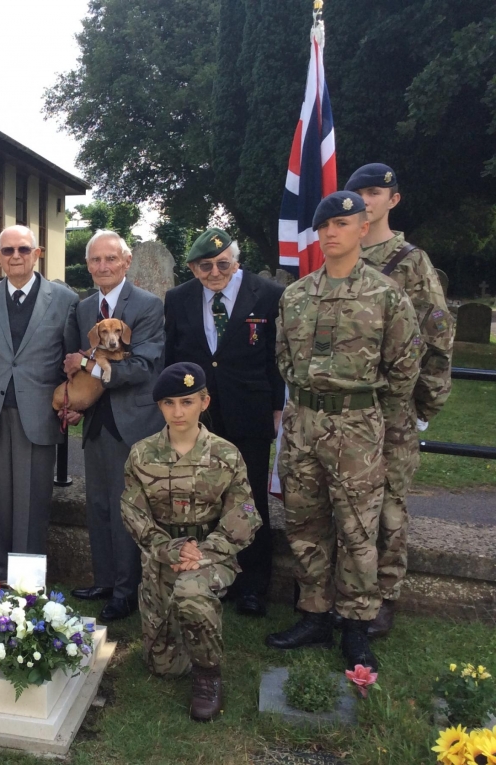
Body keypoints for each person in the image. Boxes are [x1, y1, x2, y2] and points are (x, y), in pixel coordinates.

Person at [266, 191, 421, 671]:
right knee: (304, 524)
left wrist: (369, 414)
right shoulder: (295, 295)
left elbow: (404, 367)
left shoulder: (385, 294)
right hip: (304, 424)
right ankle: (313, 614)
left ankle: (355, 627)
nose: (331, 232)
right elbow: (285, 360)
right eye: (324, 225)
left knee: (357, 529)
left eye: (342, 223)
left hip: (357, 429)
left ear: (361, 227)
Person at [344, 163, 454, 638]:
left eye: (374, 192)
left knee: (388, 505)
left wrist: (426, 404)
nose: (365, 201)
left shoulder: (411, 262)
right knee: (343, 503)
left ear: (393, 199)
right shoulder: (339, 254)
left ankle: (385, 594)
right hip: (343, 410)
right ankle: (343, 591)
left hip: (391, 410)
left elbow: (438, 335)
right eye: (357, 193)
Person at [121, 362, 261, 721]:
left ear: (205, 402)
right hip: (163, 555)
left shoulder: (226, 455)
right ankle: (189, 630)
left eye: (187, 402)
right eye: (169, 403)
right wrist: (170, 549)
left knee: (191, 595)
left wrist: (204, 553)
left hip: (211, 555)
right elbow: (133, 513)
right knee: (163, 666)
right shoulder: (141, 454)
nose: (178, 411)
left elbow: (244, 513)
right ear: (160, 407)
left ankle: (208, 675)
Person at [163, 228, 285, 617]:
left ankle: (253, 585)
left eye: (222, 264)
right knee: (201, 500)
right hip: (200, 416)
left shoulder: (266, 294)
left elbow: (275, 358)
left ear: (236, 261)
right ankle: (211, 578)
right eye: (204, 266)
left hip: (250, 413)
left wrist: (278, 407)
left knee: (249, 502)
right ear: (192, 268)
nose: (214, 272)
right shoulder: (178, 298)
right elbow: (172, 358)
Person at [0, 225, 79, 581]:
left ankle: (26, 581)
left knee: (32, 501)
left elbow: (70, 362)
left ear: (37, 253)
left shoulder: (64, 299)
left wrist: (72, 404)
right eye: (7, 251)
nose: (15, 257)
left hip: (39, 413)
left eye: (23, 250)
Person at [63, 230, 166, 622]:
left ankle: (127, 591)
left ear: (126, 262)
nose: (102, 267)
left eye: (110, 259)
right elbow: (76, 360)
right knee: (99, 505)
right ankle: (104, 580)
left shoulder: (147, 306)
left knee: (128, 509)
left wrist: (88, 366)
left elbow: (142, 367)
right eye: (95, 260)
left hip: (132, 420)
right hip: (95, 422)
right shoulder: (84, 307)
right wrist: (75, 402)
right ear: (88, 266)